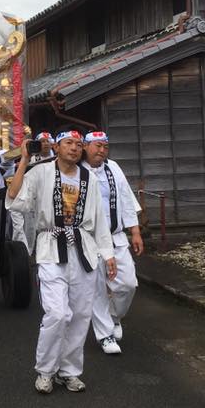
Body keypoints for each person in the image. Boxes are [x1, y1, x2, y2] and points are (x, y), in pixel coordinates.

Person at [6, 130, 116, 394]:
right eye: (69, 143)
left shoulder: (88, 177)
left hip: (84, 249)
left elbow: (100, 219)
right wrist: (23, 160)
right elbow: (14, 198)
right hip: (50, 248)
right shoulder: (41, 173)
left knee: (80, 315)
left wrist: (108, 254)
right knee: (57, 313)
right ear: (56, 147)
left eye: (79, 145)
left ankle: (69, 371)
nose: (75, 148)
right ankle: (45, 370)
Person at [81, 131, 144, 355]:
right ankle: (105, 335)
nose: (101, 150)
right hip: (89, 240)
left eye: (105, 146)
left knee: (127, 284)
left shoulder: (113, 168)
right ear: (85, 147)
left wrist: (135, 231)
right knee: (97, 288)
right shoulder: (77, 171)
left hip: (116, 237)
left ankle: (114, 315)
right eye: (97, 146)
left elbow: (126, 198)